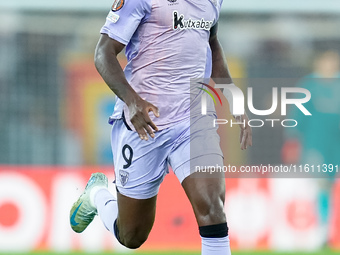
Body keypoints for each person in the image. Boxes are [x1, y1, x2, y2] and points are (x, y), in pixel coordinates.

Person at [70, 0, 252, 254]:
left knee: (212, 208)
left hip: (193, 119)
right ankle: (98, 195)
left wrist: (233, 96)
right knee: (132, 235)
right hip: (145, 122)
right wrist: (132, 102)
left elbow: (212, 42)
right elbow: (103, 52)